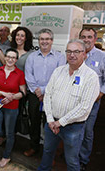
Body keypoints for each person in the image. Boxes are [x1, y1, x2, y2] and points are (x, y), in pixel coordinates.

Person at [38, 39, 99, 171]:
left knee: (71, 161)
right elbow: (47, 95)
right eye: (69, 51)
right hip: (51, 123)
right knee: (47, 153)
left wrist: (60, 122)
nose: (72, 55)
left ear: (84, 54)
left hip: (73, 128)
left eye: (76, 51)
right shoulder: (58, 71)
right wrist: (50, 120)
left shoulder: (91, 77)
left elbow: (84, 107)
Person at [24, 28, 66, 157]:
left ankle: (49, 152)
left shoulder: (60, 57)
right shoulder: (32, 57)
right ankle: (34, 146)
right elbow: (28, 76)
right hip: (34, 95)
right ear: (39, 41)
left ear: (52, 41)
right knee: (34, 122)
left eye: (47, 39)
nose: (44, 41)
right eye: (42, 39)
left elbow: (60, 77)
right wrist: (38, 92)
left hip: (52, 96)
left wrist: (43, 91)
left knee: (50, 124)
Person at [0, 48, 26, 168]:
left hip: (12, 107)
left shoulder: (20, 73)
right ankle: (2, 135)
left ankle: (6, 156)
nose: (10, 59)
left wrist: (12, 97)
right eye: (8, 57)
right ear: (4, 58)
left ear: (16, 60)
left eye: (13, 57)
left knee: (10, 132)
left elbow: (23, 92)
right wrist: (4, 94)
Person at [79, 28, 105, 171]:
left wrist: (100, 94)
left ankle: (83, 159)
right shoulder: (76, 54)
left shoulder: (102, 56)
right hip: (74, 101)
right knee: (74, 130)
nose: (86, 39)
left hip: (92, 103)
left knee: (87, 132)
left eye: (89, 37)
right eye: (83, 36)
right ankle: (73, 154)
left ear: (95, 39)